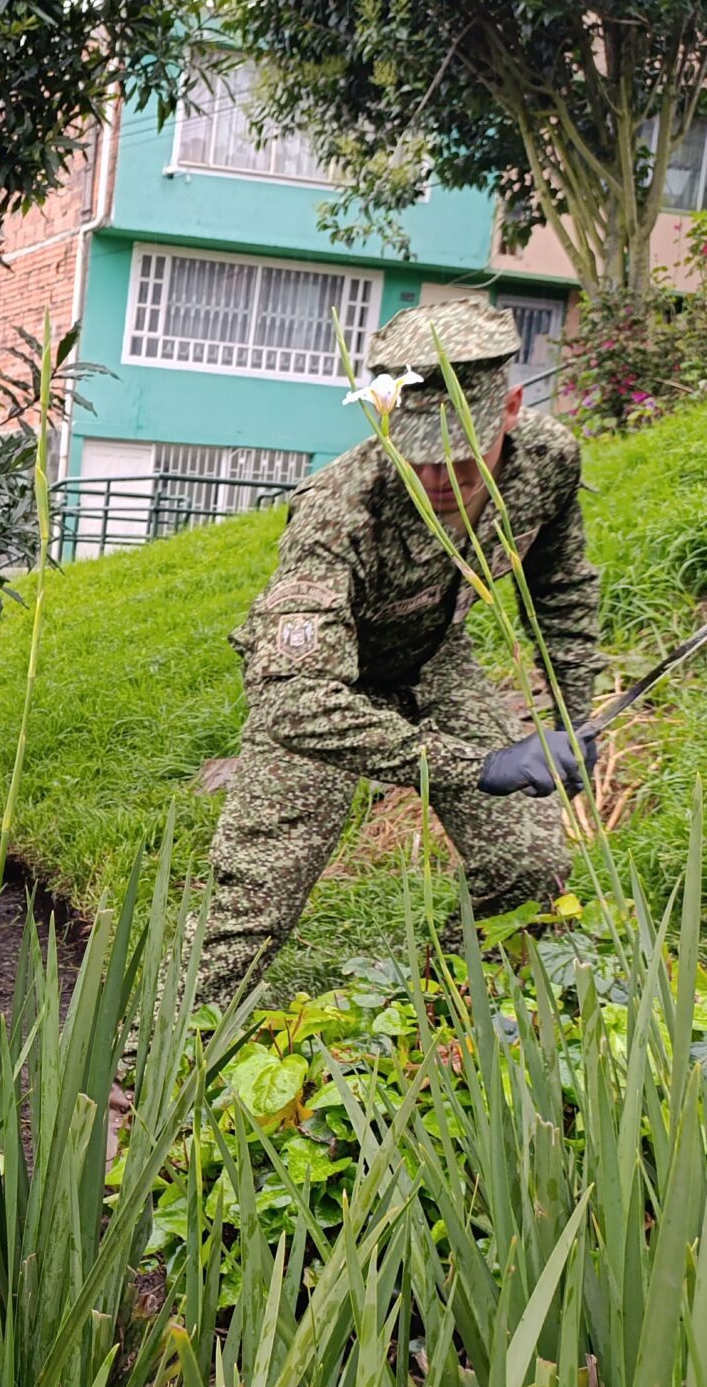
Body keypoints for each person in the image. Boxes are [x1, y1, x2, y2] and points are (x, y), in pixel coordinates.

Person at [197, 296, 607, 1012]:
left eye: (461, 454)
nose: (440, 475)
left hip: (437, 666)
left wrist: (571, 719)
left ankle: (438, 1018)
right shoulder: (338, 507)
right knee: (250, 909)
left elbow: (561, 590)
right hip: (330, 693)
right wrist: (474, 767)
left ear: (509, 408)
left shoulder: (547, 462)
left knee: (530, 862)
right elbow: (293, 701)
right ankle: (136, 1082)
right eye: (420, 454)